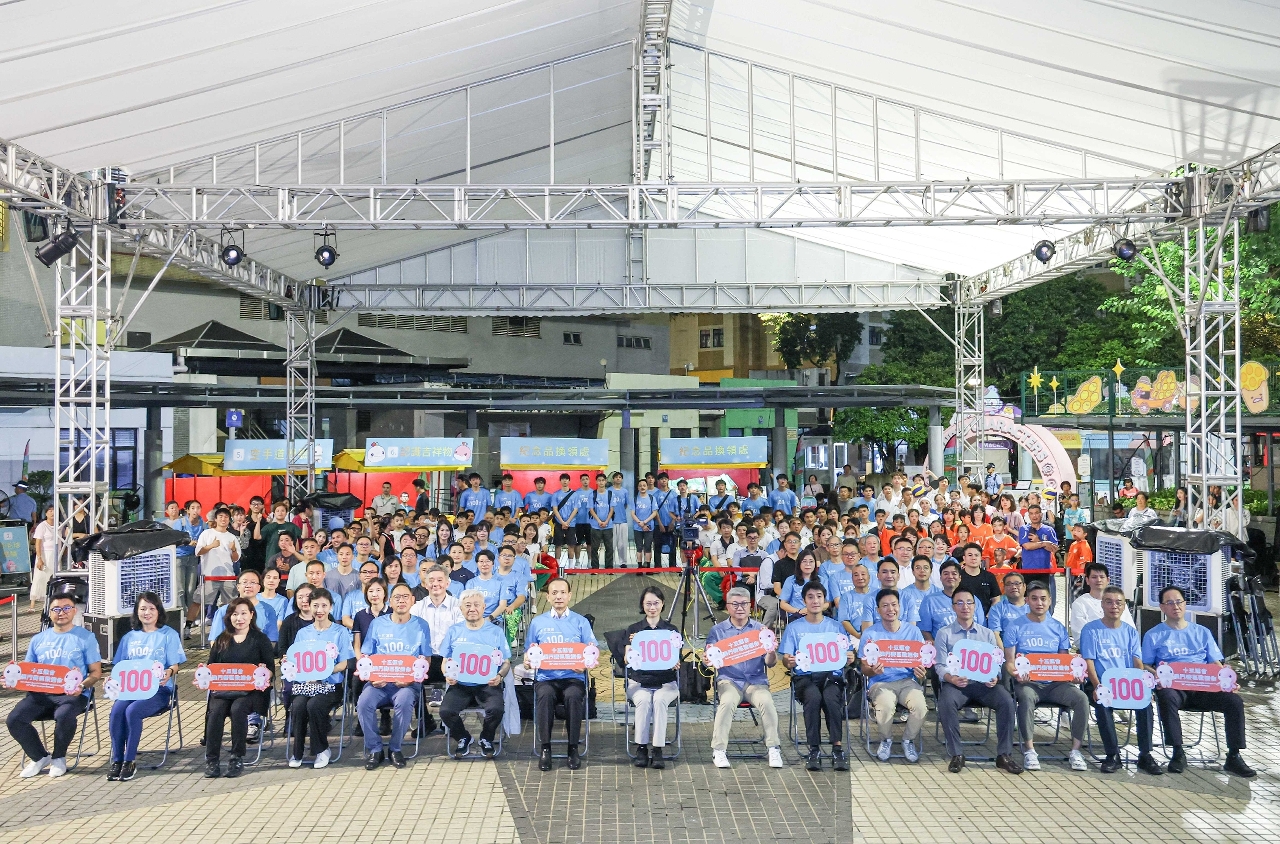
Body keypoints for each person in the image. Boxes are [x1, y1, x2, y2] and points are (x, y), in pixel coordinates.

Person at [1143, 586, 1255, 778]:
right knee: (1166, 696)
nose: (1175, 606)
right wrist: (1157, 675)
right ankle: (1178, 752)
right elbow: (1144, 664)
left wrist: (1227, 681)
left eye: (1179, 602)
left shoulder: (1202, 632)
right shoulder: (1153, 635)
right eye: (1169, 603)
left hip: (1203, 687)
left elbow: (1215, 662)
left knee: (1234, 701)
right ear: (1162, 607)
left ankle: (1234, 756)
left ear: (1185, 604)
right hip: (1175, 688)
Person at [8, 593, 103, 778]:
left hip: (73, 694)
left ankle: (59, 758)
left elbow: (95, 673)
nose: (61, 613)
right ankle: (39, 757)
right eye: (56, 609)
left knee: (64, 714)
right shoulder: (38, 639)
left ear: (74, 611)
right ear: (49, 612)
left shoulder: (86, 637)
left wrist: (82, 686)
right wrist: (12, 679)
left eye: (67, 608)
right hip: (41, 694)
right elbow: (27, 672)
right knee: (14, 719)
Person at [933, 587, 1022, 775]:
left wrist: (995, 677)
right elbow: (939, 665)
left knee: (1007, 701)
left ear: (975, 606)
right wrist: (951, 678)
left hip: (983, 685)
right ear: (953, 607)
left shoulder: (987, 634)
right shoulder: (944, 633)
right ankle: (957, 754)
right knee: (946, 702)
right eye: (959, 603)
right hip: (956, 685)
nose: (965, 607)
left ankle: (1004, 755)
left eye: (969, 602)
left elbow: (996, 663)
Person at [1003, 582, 1090, 771]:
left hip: (1055, 684)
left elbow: (1064, 661)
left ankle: (1076, 751)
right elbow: (1009, 661)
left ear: (1050, 601)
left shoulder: (1058, 628)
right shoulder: (1015, 626)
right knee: (1025, 698)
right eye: (1034, 599)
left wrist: (1073, 675)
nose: (1039, 603)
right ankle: (1029, 751)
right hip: (1028, 683)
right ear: (1027, 601)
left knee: (1081, 699)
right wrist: (1016, 674)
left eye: (1043, 599)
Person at [1080, 586, 1163, 775]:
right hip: (1101, 683)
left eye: (1119, 603)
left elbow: (1137, 662)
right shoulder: (1090, 630)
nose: (1114, 606)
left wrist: (1142, 687)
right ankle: (1112, 755)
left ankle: (1145, 755)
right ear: (1102, 605)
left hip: (1127, 684)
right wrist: (1097, 686)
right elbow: (1089, 662)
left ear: (1124, 606)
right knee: (1103, 703)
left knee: (1145, 704)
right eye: (1109, 602)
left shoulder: (1130, 632)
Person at [704, 587, 784, 769]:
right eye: (735, 604)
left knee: (767, 702)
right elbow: (709, 658)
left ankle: (773, 748)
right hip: (729, 680)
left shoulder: (760, 630)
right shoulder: (717, 631)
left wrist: (771, 651)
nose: (740, 608)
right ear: (727, 606)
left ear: (750, 606)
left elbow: (770, 663)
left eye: (744, 604)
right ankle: (719, 750)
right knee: (727, 702)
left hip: (756, 681)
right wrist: (707, 660)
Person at [779, 582, 852, 771]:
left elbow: (846, 655)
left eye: (819, 596)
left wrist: (849, 657)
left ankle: (837, 748)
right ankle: (814, 749)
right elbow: (786, 660)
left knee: (830, 697)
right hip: (805, 678)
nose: (815, 601)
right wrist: (789, 661)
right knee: (813, 697)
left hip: (831, 677)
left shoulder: (836, 627)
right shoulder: (794, 628)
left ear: (825, 600)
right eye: (810, 597)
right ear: (804, 601)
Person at [358, 582, 431, 770]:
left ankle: (395, 748)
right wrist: (372, 677)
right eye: (397, 597)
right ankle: (375, 749)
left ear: (413, 600)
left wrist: (411, 679)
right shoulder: (377, 624)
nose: (401, 601)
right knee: (363, 703)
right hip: (379, 682)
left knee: (405, 702)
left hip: (407, 684)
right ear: (390, 601)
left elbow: (426, 658)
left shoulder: (421, 625)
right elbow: (366, 655)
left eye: (405, 597)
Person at [526, 578, 596, 771]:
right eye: (554, 593)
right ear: (547, 597)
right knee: (545, 695)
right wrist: (528, 661)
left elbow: (592, 652)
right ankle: (545, 748)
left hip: (573, 677)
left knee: (573, 696)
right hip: (546, 677)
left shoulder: (581, 622)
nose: (559, 596)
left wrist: (584, 664)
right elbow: (529, 651)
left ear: (570, 596)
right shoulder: (537, 623)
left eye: (563, 592)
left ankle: (573, 748)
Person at [203, 597, 275, 778]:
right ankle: (212, 759)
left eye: (243, 613)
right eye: (235, 614)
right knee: (216, 711)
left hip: (251, 692)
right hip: (223, 690)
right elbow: (211, 667)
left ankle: (236, 757)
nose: (239, 618)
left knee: (238, 709)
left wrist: (264, 674)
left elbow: (270, 669)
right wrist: (203, 676)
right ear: (229, 617)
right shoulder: (222, 639)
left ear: (251, 615)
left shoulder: (260, 639)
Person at [438, 589, 511, 759]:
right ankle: (463, 737)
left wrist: (500, 676)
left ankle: (486, 737)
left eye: (476, 605)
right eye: (467, 605)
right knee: (446, 711)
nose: (472, 609)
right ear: (461, 609)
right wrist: (447, 674)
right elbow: (444, 661)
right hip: (460, 684)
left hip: (487, 684)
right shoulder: (454, 631)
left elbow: (506, 662)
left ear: (484, 607)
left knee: (496, 709)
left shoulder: (496, 632)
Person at [287, 588, 354, 769]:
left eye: (324, 606)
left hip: (331, 686)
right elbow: (296, 661)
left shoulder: (340, 632)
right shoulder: (303, 633)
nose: (319, 610)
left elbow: (345, 662)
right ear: (309, 607)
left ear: (331, 607)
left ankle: (322, 749)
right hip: (307, 685)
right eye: (315, 605)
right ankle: (297, 752)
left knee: (314, 705)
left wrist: (325, 672)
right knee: (298, 706)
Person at [860, 589, 927, 763]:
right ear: (878, 610)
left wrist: (921, 672)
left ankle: (908, 740)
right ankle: (886, 740)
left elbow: (922, 663)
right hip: (880, 682)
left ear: (900, 607)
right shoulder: (870, 634)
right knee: (886, 706)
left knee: (920, 707)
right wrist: (872, 671)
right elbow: (864, 668)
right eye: (885, 606)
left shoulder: (913, 632)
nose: (890, 609)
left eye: (894, 605)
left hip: (907, 681)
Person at [624, 587, 681, 769]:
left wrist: (676, 662)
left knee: (659, 700)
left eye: (656, 603)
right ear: (642, 605)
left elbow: (676, 657)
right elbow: (627, 659)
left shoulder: (671, 631)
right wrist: (633, 646)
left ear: (662, 604)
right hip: (639, 681)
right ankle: (641, 747)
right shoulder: (634, 630)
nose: (652, 607)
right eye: (648, 603)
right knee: (643, 700)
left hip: (666, 682)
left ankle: (657, 748)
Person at [191, 507, 240, 628]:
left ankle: (230, 627)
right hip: (209, 576)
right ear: (216, 519)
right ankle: (187, 626)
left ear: (229, 520)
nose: (223, 519)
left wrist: (233, 549)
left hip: (228, 576)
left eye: (226, 517)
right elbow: (198, 552)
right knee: (198, 601)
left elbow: (235, 558)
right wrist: (211, 546)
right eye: (221, 516)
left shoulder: (232, 537)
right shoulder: (207, 533)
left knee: (231, 604)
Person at [1069, 562, 1134, 643]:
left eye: (1102, 577)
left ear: (1108, 580)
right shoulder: (1080, 603)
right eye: (1094, 577)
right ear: (1087, 580)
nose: (1098, 580)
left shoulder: (1118, 601)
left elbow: (1131, 630)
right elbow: (1080, 636)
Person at [1018, 504, 1058, 606]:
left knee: (1043, 598)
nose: (1034, 516)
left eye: (1036, 513)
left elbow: (1054, 549)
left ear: (1041, 514)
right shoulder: (1024, 529)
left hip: (1044, 570)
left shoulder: (1049, 530)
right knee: (1028, 599)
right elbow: (1027, 546)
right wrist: (1044, 543)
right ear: (1028, 515)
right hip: (1028, 570)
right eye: (1031, 513)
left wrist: (1038, 541)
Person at [986, 571, 1030, 635]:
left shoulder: (1034, 606)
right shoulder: (997, 608)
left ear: (1024, 586)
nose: (1014, 587)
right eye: (1009, 584)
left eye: (1017, 583)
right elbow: (995, 634)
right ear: (1004, 588)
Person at [550, 473, 581, 564]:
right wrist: (562, 522)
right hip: (559, 523)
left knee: (571, 545)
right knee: (558, 545)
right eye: (563, 479)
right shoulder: (556, 494)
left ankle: (571, 566)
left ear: (569, 481)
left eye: (566, 479)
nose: (565, 481)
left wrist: (567, 522)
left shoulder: (575, 494)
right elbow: (555, 509)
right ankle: (557, 565)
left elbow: (575, 509)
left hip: (571, 523)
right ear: (560, 481)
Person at [30, 505, 56, 610]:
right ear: (46, 513)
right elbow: (38, 543)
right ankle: (32, 604)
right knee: (39, 577)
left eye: (54, 511)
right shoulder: (42, 526)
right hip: (44, 554)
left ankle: (49, 602)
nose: (52, 513)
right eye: (50, 511)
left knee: (52, 578)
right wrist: (39, 558)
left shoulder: (59, 525)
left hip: (55, 555)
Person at [631, 478, 657, 568]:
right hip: (637, 527)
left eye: (644, 485)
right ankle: (639, 566)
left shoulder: (651, 498)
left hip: (649, 527)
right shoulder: (634, 499)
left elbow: (654, 512)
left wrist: (645, 522)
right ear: (638, 487)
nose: (642, 487)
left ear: (647, 487)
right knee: (639, 547)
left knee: (648, 547)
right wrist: (640, 523)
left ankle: (648, 566)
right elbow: (632, 513)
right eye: (640, 486)